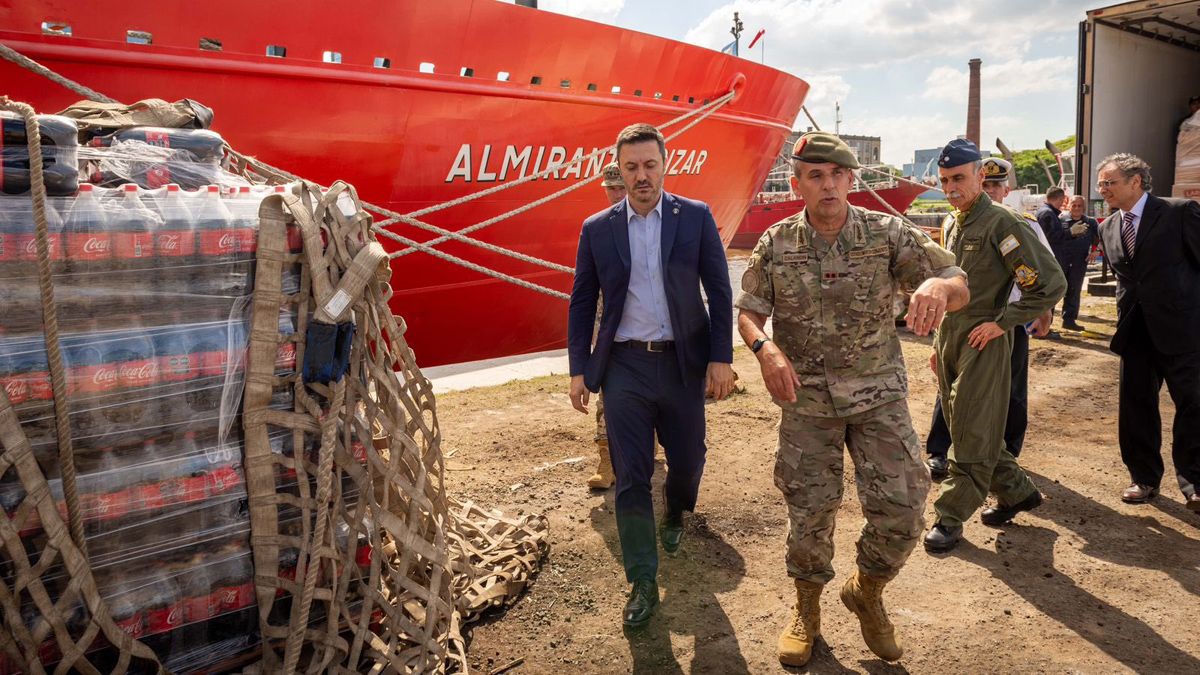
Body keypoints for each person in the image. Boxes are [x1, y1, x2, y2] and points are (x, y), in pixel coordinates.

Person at [737, 132, 969, 666]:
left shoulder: (887, 233)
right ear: (797, 185)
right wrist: (765, 350)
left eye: (836, 175)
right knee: (809, 513)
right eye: (814, 176)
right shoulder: (776, 241)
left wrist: (937, 288)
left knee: (907, 506)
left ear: (850, 180)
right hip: (808, 404)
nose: (827, 185)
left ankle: (866, 590)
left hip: (877, 397)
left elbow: (957, 281)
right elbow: (748, 310)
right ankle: (807, 610)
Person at [567, 123, 735, 628]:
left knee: (688, 460)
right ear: (620, 170)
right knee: (631, 476)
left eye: (649, 165)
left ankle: (677, 511)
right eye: (632, 167)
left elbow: (720, 291)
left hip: (683, 362)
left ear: (666, 163)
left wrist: (719, 358)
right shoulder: (597, 228)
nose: (641, 175)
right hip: (624, 366)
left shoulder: (696, 218)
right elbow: (581, 300)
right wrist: (579, 368)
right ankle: (642, 579)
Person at [923, 139, 1066, 554]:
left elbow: (1048, 283)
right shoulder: (954, 222)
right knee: (968, 425)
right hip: (951, 337)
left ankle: (949, 516)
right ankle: (1018, 493)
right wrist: (938, 343)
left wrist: (1003, 323)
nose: (951, 188)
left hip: (984, 340)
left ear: (981, 176)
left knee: (969, 431)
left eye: (959, 179)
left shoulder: (1003, 222)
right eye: (945, 180)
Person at [925, 158, 1053, 480]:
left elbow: (1045, 278)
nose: (990, 190)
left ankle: (1005, 455)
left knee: (1011, 391)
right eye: (987, 184)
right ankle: (940, 450)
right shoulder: (954, 223)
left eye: (996, 185)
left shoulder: (1024, 224)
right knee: (951, 389)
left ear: (1006, 189)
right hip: (964, 323)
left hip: (1009, 322)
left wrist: (1044, 313)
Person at [1094, 153, 1200, 511]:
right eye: (1101, 183)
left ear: (1135, 181)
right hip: (1135, 332)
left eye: (1110, 182)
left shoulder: (1179, 212)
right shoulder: (1107, 226)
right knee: (1136, 407)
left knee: (1193, 404)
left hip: (1183, 329)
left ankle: (1195, 483)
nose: (1102, 189)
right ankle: (1143, 478)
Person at [586, 162, 628, 490]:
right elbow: (584, 289)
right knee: (607, 394)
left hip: (647, 331)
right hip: (607, 331)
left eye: (620, 187)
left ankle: (649, 445)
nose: (616, 194)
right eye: (611, 188)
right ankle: (606, 459)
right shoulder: (597, 230)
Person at [1057, 195, 1099, 331]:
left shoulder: (1091, 222)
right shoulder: (1060, 219)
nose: (1076, 208)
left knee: (1074, 290)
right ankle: (1046, 321)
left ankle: (1069, 320)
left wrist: (1095, 251)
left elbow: (1100, 239)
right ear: (1069, 206)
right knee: (1055, 290)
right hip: (1061, 261)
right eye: (1074, 205)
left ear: (1084, 207)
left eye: (1079, 205)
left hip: (1079, 262)